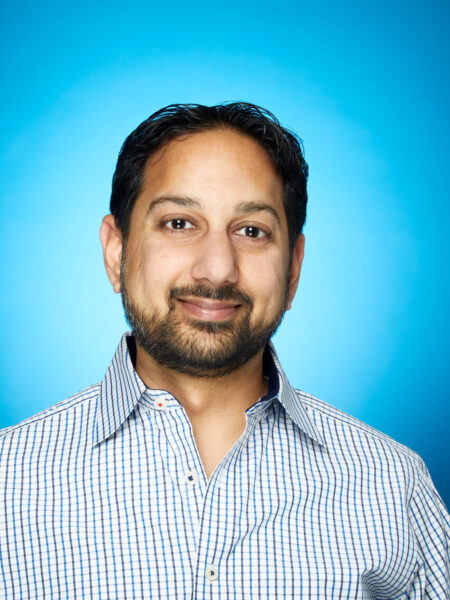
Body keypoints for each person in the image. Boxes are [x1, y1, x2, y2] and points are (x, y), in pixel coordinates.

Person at [0, 103, 448, 600]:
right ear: (116, 251)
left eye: (251, 231)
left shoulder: (393, 484)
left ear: (293, 268)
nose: (217, 270)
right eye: (179, 223)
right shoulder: (7, 480)